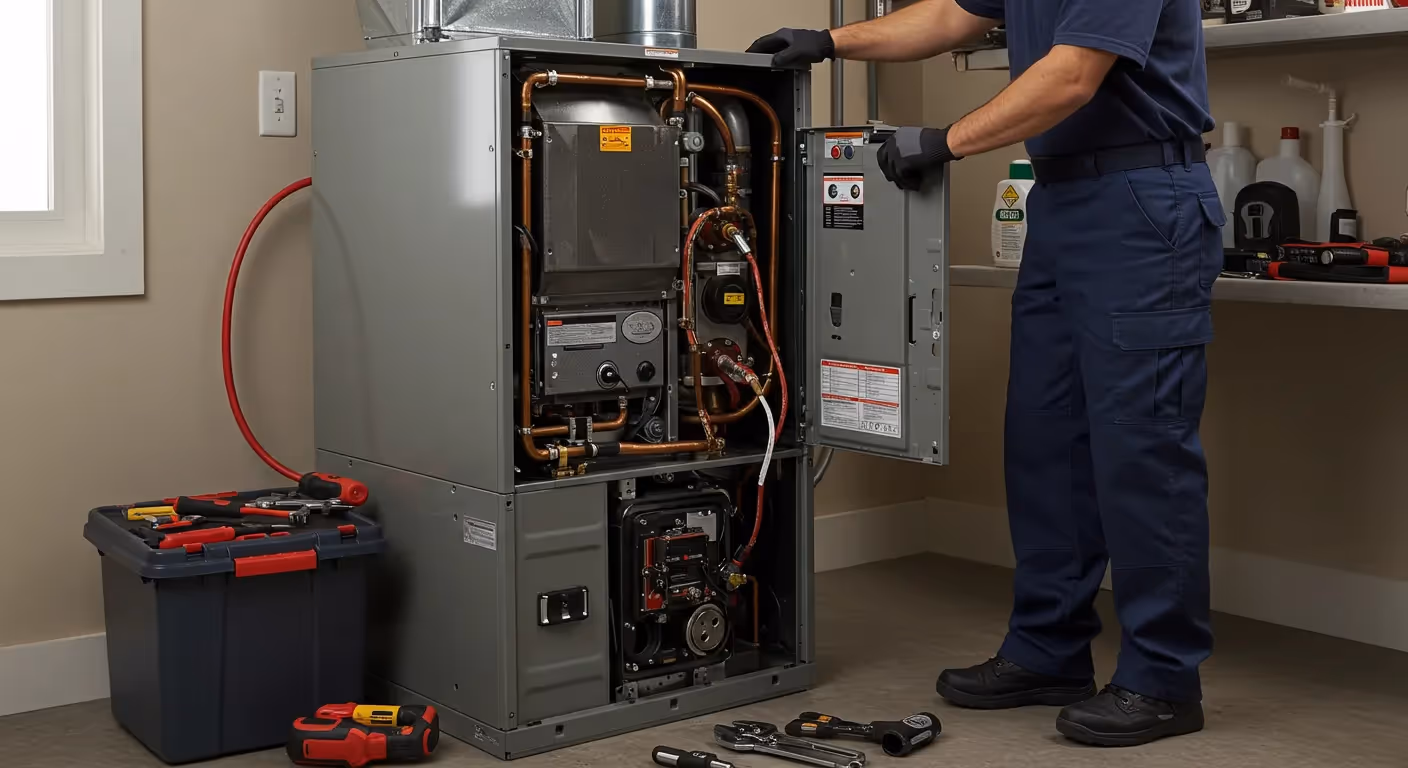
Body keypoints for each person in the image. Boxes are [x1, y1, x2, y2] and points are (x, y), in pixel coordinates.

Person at [750, 0, 1220, 748]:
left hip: (1141, 206)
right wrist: (829, 40)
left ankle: (1162, 680)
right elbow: (951, 14)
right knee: (1045, 440)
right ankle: (1048, 651)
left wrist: (946, 141)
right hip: (1063, 203)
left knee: (1142, 451)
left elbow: (1071, 77)